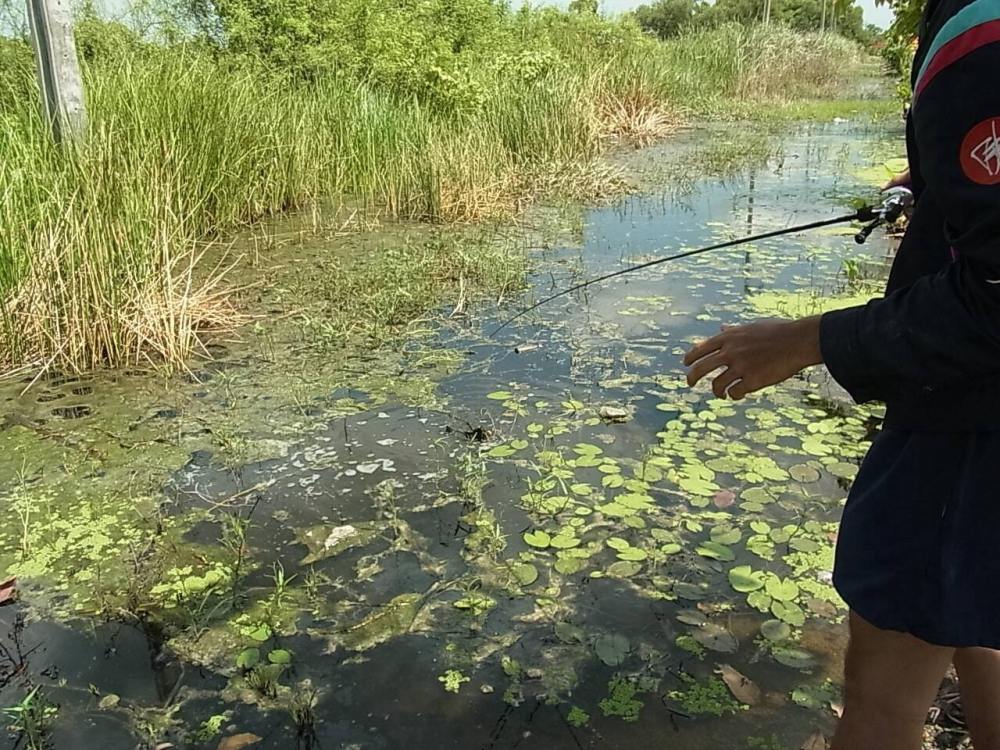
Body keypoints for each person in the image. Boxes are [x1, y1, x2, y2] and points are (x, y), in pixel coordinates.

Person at [683, 0, 1000, 747]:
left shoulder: (982, 32)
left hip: (965, 429)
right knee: (971, 613)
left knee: (883, 693)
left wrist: (813, 338)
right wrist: (932, 183)